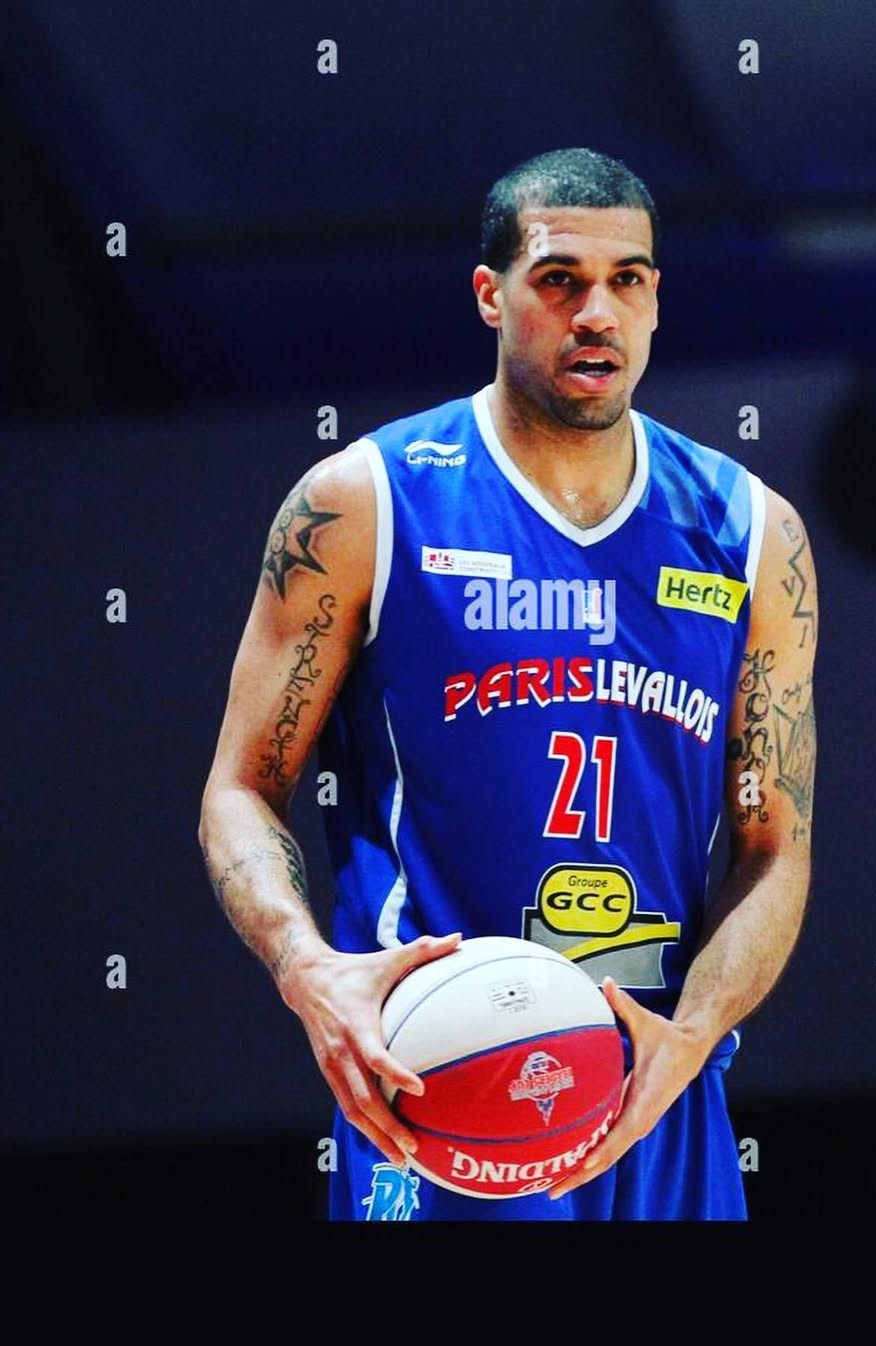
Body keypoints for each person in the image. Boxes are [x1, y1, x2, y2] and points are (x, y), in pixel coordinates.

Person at [199, 147, 818, 1221]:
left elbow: (775, 846)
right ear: (491, 295)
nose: (597, 313)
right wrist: (306, 967)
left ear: (656, 299)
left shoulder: (752, 531)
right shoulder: (365, 502)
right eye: (560, 280)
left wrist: (696, 1032)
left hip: (654, 1081)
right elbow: (239, 789)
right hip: (438, 1076)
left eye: (628, 280)